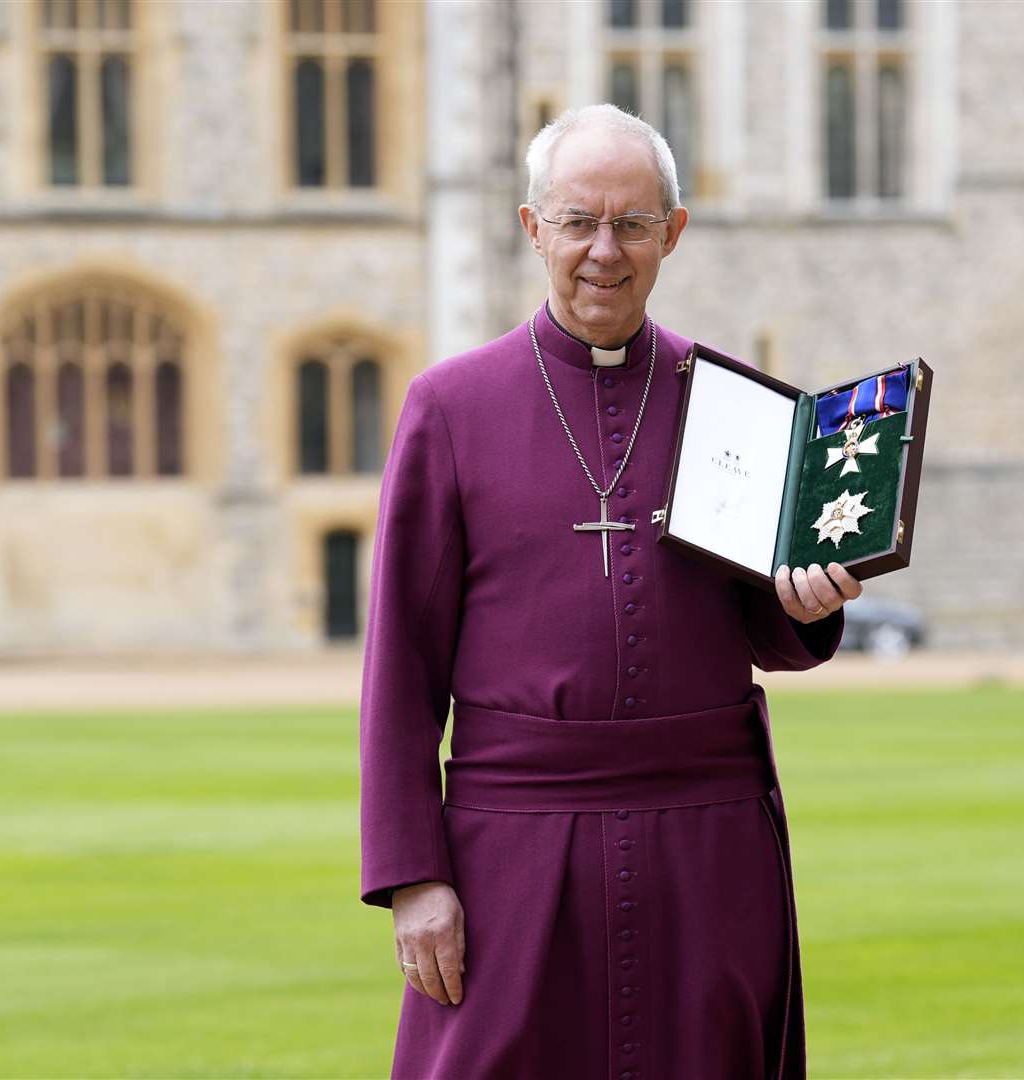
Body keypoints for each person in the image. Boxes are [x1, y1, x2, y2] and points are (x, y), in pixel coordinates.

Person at [359, 104, 863, 1080]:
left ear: (673, 233)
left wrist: (815, 603)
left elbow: (772, 625)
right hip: (513, 838)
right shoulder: (450, 408)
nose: (604, 251)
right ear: (531, 227)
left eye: (633, 224)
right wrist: (412, 876)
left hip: (705, 834)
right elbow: (401, 667)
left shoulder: (738, 406)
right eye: (579, 221)